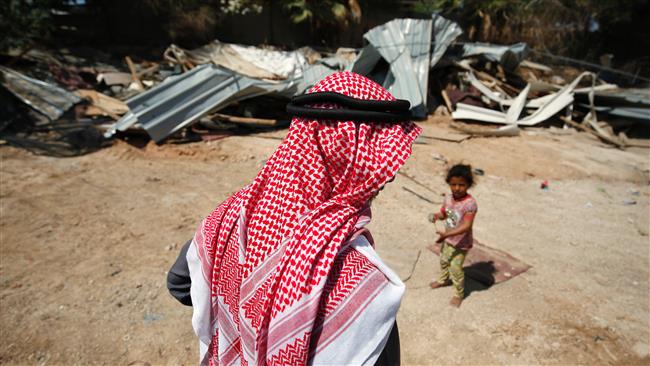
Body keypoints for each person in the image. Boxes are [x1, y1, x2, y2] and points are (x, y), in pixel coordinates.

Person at [167, 71, 421, 365]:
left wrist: (237, 315)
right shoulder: (364, 283)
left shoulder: (225, 220)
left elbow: (180, 284)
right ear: (352, 160)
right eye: (383, 159)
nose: (388, 175)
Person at [429, 164, 478, 308]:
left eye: (461, 185)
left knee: (456, 269)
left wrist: (447, 234)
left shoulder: (470, 204)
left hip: (461, 243)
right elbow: (445, 213)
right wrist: (436, 216)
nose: (457, 188)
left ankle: (459, 294)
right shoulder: (448, 198)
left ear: (468, 184)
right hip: (448, 239)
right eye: (453, 184)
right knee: (444, 260)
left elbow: (466, 226)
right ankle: (444, 280)